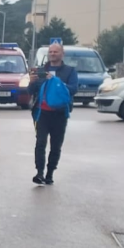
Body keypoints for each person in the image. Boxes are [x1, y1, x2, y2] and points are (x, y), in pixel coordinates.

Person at [28, 43, 80, 185]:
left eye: (56, 51)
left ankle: (50, 173)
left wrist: (56, 81)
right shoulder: (41, 70)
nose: (52, 54)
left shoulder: (69, 71)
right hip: (41, 113)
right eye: (50, 51)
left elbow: (73, 89)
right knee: (40, 143)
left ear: (62, 53)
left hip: (60, 114)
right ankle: (39, 173)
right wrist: (31, 82)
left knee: (56, 145)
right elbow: (31, 91)